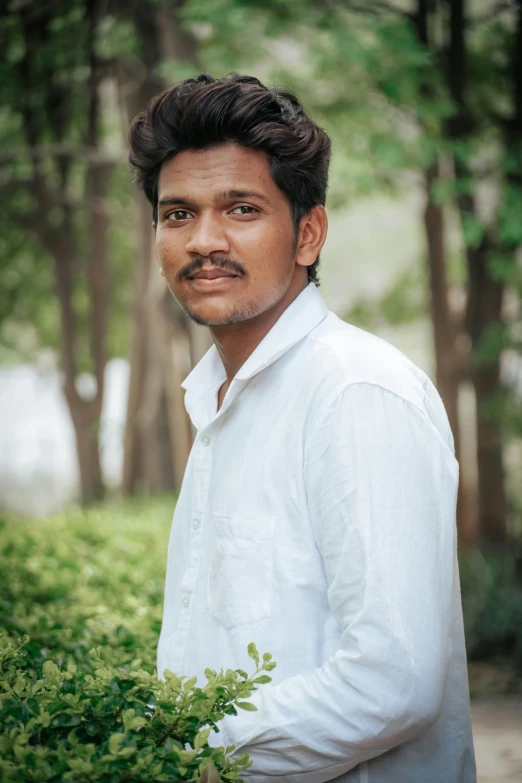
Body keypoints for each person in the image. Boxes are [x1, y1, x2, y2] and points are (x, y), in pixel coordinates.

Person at [128, 73, 476, 783]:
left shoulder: (354, 393)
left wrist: (189, 754)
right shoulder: (219, 402)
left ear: (308, 232)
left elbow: (393, 680)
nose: (204, 240)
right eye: (177, 214)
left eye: (242, 208)